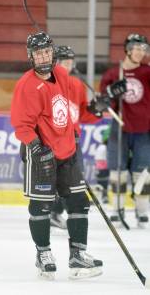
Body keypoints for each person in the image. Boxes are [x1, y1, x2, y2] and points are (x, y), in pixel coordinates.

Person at [11, 32, 103, 280]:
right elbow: (21, 125)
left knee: (78, 202)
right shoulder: (26, 85)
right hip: (41, 153)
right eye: (38, 53)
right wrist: (37, 147)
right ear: (31, 56)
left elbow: (70, 111)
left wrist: (92, 112)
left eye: (46, 52)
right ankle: (43, 253)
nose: (43, 56)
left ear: (53, 53)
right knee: (42, 204)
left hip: (68, 151)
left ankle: (77, 255)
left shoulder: (62, 75)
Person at [99, 33, 150, 228]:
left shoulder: (147, 72)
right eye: (137, 48)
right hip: (119, 128)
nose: (141, 52)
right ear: (128, 49)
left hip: (144, 130)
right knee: (117, 173)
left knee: (142, 173)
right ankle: (117, 210)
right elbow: (102, 104)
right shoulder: (113, 74)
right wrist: (111, 93)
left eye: (144, 49)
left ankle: (142, 211)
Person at [50, 45, 101, 229]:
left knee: (74, 177)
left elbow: (81, 115)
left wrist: (96, 110)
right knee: (57, 178)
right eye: (64, 62)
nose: (68, 66)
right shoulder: (49, 83)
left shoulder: (77, 84)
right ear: (55, 63)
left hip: (74, 139)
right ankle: (53, 213)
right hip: (54, 139)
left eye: (70, 63)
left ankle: (61, 213)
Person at [94, 126, 110, 204]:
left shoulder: (101, 147)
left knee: (101, 184)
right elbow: (102, 159)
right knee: (103, 184)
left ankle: (102, 197)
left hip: (100, 168)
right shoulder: (104, 147)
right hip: (102, 168)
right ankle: (102, 197)